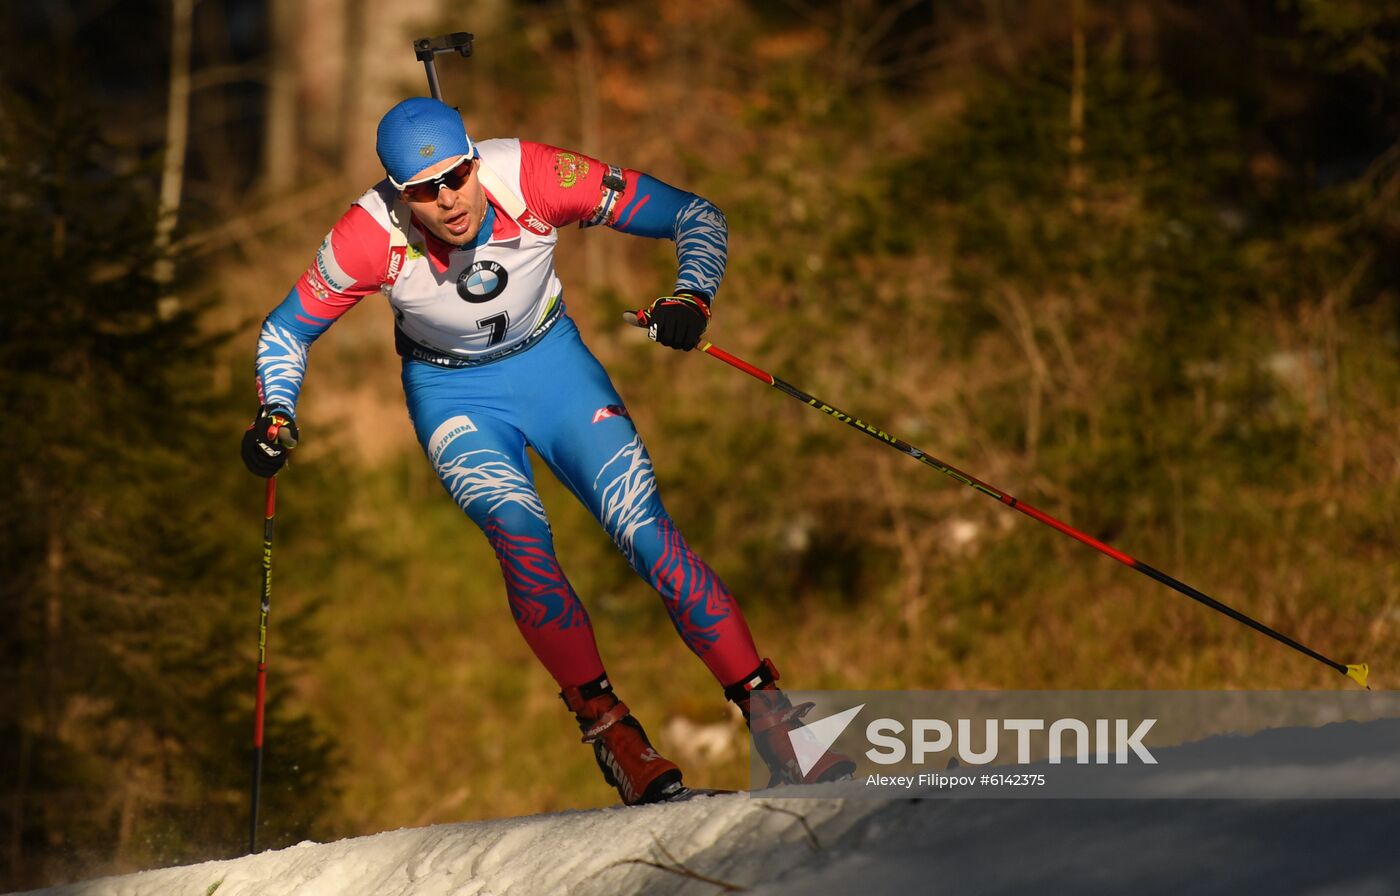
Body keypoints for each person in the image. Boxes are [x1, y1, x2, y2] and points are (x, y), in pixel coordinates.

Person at [240, 97, 853, 804]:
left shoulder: (534, 176)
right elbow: (286, 329)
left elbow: (696, 214)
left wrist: (692, 298)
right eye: (423, 190)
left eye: (457, 176)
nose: (448, 200)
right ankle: (613, 733)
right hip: (454, 397)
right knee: (522, 539)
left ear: (474, 157)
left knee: (645, 531)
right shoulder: (366, 235)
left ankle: (771, 717)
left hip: (553, 368)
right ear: (397, 193)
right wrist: (275, 414)